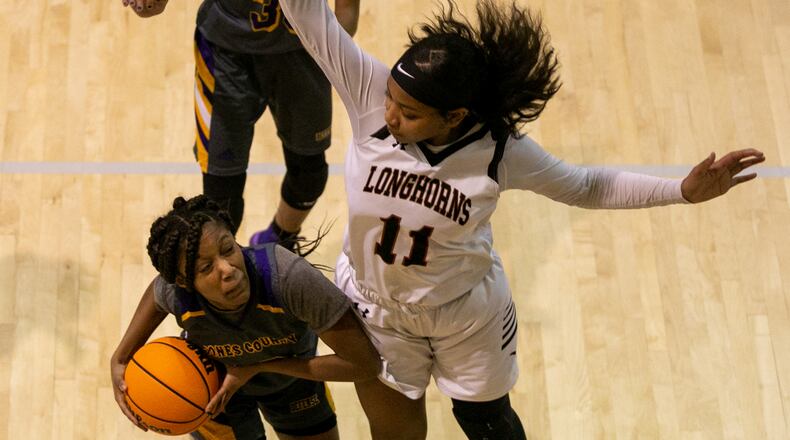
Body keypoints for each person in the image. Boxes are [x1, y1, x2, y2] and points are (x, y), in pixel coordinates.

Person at [276, 0, 766, 439]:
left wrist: (681, 191)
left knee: (488, 424)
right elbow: (307, 14)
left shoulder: (500, 152)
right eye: (390, 100)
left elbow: (587, 186)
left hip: (463, 314)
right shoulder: (370, 93)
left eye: (409, 112)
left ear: (455, 116)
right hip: (374, 307)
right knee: (396, 434)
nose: (390, 115)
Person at [110, 195, 380, 440]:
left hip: (290, 381)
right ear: (183, 281)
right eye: (206, 267)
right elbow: (158, 291)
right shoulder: (177, 293)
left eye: (228, 249)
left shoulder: (288, 278)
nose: (227, 269)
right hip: (213, 389)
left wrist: (259, 367)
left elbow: (364, 365)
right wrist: (120, 358)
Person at [120, 0, 361, 251]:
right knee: (221, 191)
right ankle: (228, 262)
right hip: (225, 52)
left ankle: (280, 240)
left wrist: (332, 58)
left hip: (303, 50)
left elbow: (347, 11)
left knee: (309, 174)